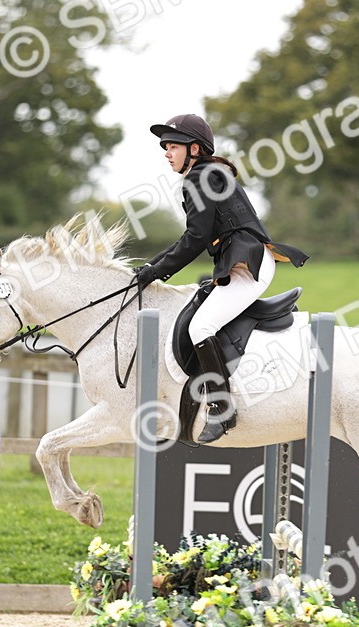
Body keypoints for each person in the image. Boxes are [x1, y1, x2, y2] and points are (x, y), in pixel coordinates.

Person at [136, 113, 308, 443]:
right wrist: (151, 268)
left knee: (200, 327)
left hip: (246, 261)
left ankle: (221, 409)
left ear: (195, 149)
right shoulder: (207, 174)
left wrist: (155, 271)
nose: (166, 153)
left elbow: (195, 238)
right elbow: (193, 237)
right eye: (164, 147)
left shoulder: (200, 177)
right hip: (243, 258)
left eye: (172, 146)